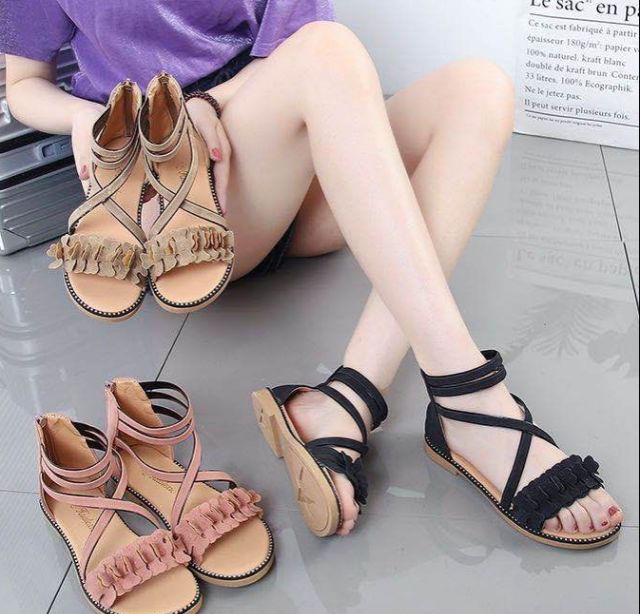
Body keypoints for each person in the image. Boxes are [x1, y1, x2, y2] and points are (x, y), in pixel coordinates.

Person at [3, 0, 622, 540]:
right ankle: (469, 396)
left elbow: (292, 53)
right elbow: (25, 83)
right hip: (183, 209)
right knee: (329, 50)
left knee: (479, 88)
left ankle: (349, 396)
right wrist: (84, 117)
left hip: (276, 168)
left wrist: (210, 101)